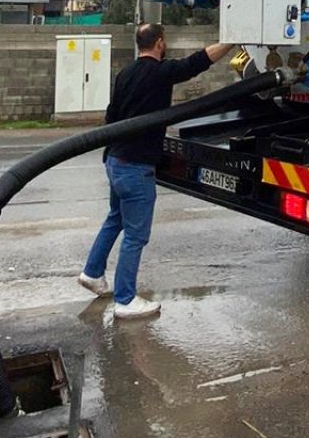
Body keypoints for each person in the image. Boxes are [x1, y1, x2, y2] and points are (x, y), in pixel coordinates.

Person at [79, 23, 234, 318]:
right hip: (136, 167)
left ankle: (92, 273)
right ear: (160, 43)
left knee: (115, 219)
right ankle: (125, 300)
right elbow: (197, 62)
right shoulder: (160, 72)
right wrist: (233, 40)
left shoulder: (125, 73)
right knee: (136, 236)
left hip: (114, 160)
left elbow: (111, 115)